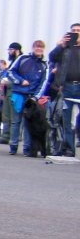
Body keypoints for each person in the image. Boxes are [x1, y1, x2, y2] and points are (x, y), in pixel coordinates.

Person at [6, 40, 48, 156]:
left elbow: (44, 82)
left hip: (31, 98)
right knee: (15, 121)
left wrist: (36, 97)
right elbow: (10, 72)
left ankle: (27, 149)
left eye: (41, 48)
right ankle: (13, 146)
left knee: (29, 123)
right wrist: (20, 80)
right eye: (37, 47)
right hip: (18, 94)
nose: (38, 49)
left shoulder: (44, 64)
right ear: (33, 48)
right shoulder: (22, 58)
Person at [48, 25, 80, 156]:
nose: (76, 33)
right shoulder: (64, 48)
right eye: (73, 31)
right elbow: (52, 57)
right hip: (66, 87)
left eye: (78, 31)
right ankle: (69, 149)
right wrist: (61, 45)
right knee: (66, 120)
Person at [0, 42, 22, 145]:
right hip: (8, 91)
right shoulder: (13, 61)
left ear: (16, 50)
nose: (9, 52)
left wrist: (8, 81)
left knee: (12, 115)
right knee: (6, 114)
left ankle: (11, 136)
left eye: (11, 50)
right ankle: (6, 135)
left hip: (14, 91)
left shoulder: (19, 61)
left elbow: (16, 76)